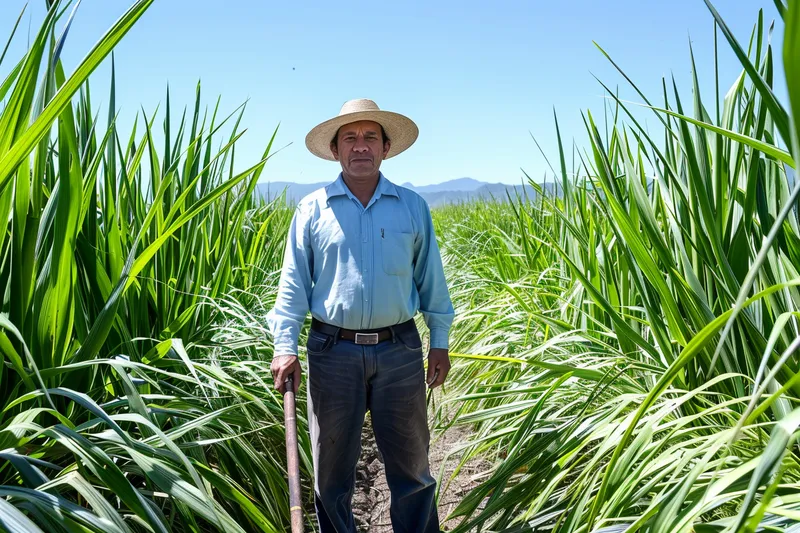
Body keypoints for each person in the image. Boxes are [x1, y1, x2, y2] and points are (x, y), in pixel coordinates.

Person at [267, 98, 455, 533]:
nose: (360, 146)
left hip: (400, 350)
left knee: (413, 470)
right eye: (349, 137)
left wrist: (439, 340)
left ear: (386, 148)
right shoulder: (312, 210)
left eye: (370, 136)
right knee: (331, 475)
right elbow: (293, 285)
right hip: (333, 352)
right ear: (335, 150)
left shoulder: (411, 207)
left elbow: (432, 280)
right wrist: (284, 347)